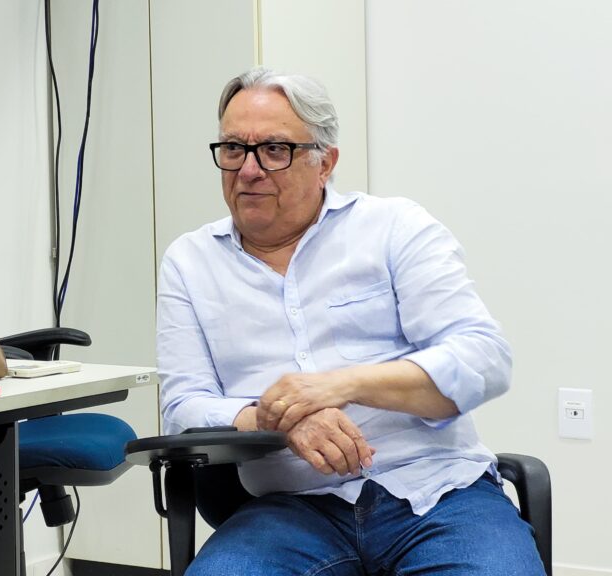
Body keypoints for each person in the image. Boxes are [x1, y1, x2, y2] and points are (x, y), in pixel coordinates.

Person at [157, 67, 545, 574]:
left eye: (274, 149)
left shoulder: (393, 228)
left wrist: (341, 386)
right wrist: (275, 418)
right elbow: (182, 407)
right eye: (233, 148)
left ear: (325, 162)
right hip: (288, 509)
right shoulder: (190, 262)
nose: (248, 170)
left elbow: (484, 359)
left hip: (436, 492)